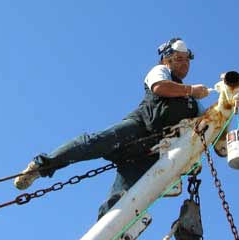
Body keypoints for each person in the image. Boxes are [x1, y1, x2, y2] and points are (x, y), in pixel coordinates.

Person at [14, 37, 209, 219]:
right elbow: (159, 87)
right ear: (166, 60)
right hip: (137, 128)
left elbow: (207, 123)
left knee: (122, 201)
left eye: (187, 60)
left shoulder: (193, 102)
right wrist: (191, 90)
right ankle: (41, 166)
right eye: (179, 59)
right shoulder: (160, 73)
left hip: (150, 151)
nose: (184, 64)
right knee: (93, 143)